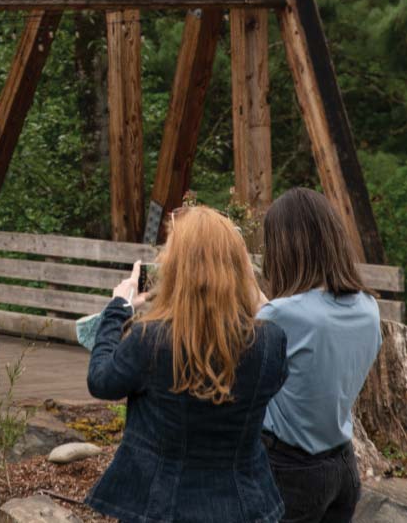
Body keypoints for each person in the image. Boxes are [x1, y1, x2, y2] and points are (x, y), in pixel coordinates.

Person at [85, 206, 288, 523]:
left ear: (175, 267)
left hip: (163, 507)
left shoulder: (149, 340)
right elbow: (273, 379)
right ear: (240, 269)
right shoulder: (270, 342)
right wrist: (252, 297)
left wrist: (118, 308)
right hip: (245, 505)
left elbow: (101, 380)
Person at [258, 188, 382, 522]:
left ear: (284, 248)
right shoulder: (368, 308)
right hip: (342, 465)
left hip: (290, 470)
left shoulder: (281, 315)